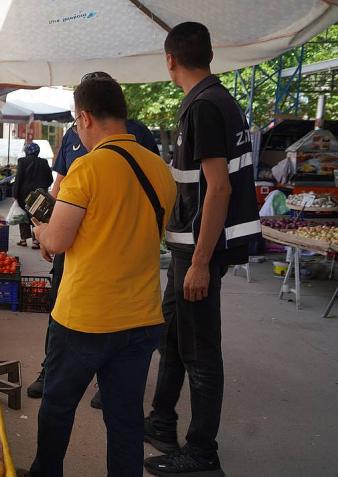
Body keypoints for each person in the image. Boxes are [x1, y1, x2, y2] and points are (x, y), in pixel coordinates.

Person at [28, 76, 176, 477]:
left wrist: (41, 231)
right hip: (142, 317)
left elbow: (56, 240)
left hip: (85, 318)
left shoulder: (87, 167)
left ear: (86, 117)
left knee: (58, 408)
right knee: (125, 420)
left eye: (76, 123)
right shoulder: (160, 170)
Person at [143, 22, 261, 477]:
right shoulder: (214, 100)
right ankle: (161, 421)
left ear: (170, 59)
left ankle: (201, 451)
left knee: (201, 352)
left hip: (199, 253)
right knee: (173, 336)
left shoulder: (206, 108)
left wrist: (200, 264)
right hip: (189, 250)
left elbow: (218, 190)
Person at [12, 142, 53, 248]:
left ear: (26, 151)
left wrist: (15, 194)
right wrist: (44, 188)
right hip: (39, 194)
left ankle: (23, 240)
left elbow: (18, 179)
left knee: (24, 216)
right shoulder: (44, 162)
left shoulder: (22, 161)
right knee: (37, 215)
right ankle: (36, 241)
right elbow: (50, 179)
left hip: (24, 194)